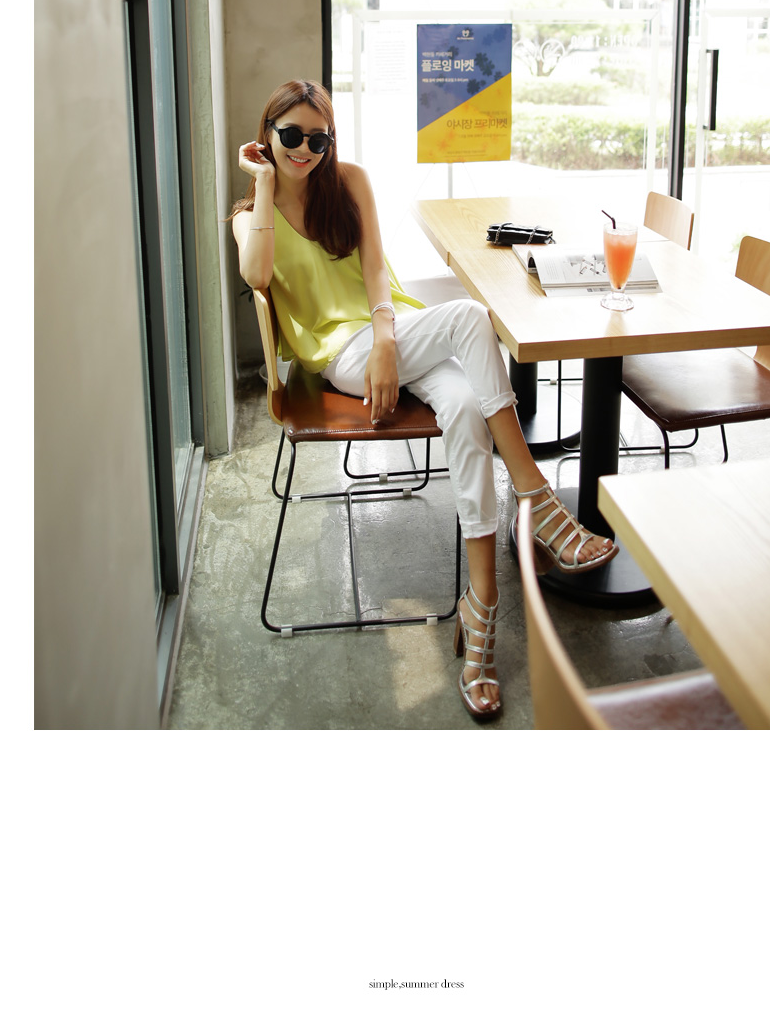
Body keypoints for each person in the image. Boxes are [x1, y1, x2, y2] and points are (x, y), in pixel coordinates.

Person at [232, 80, 615, 723]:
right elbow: (256, 275)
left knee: (465, 407)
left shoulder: (348, 181)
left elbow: (375, 269)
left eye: (318, 139)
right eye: (290, 135)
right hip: (340, 358)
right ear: (266, 135)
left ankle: (481, 605)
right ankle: (536, 499)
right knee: (469, 316)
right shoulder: (252, 213)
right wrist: (266, 184)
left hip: (394, 334)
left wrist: (387, 337)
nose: (304, 150)